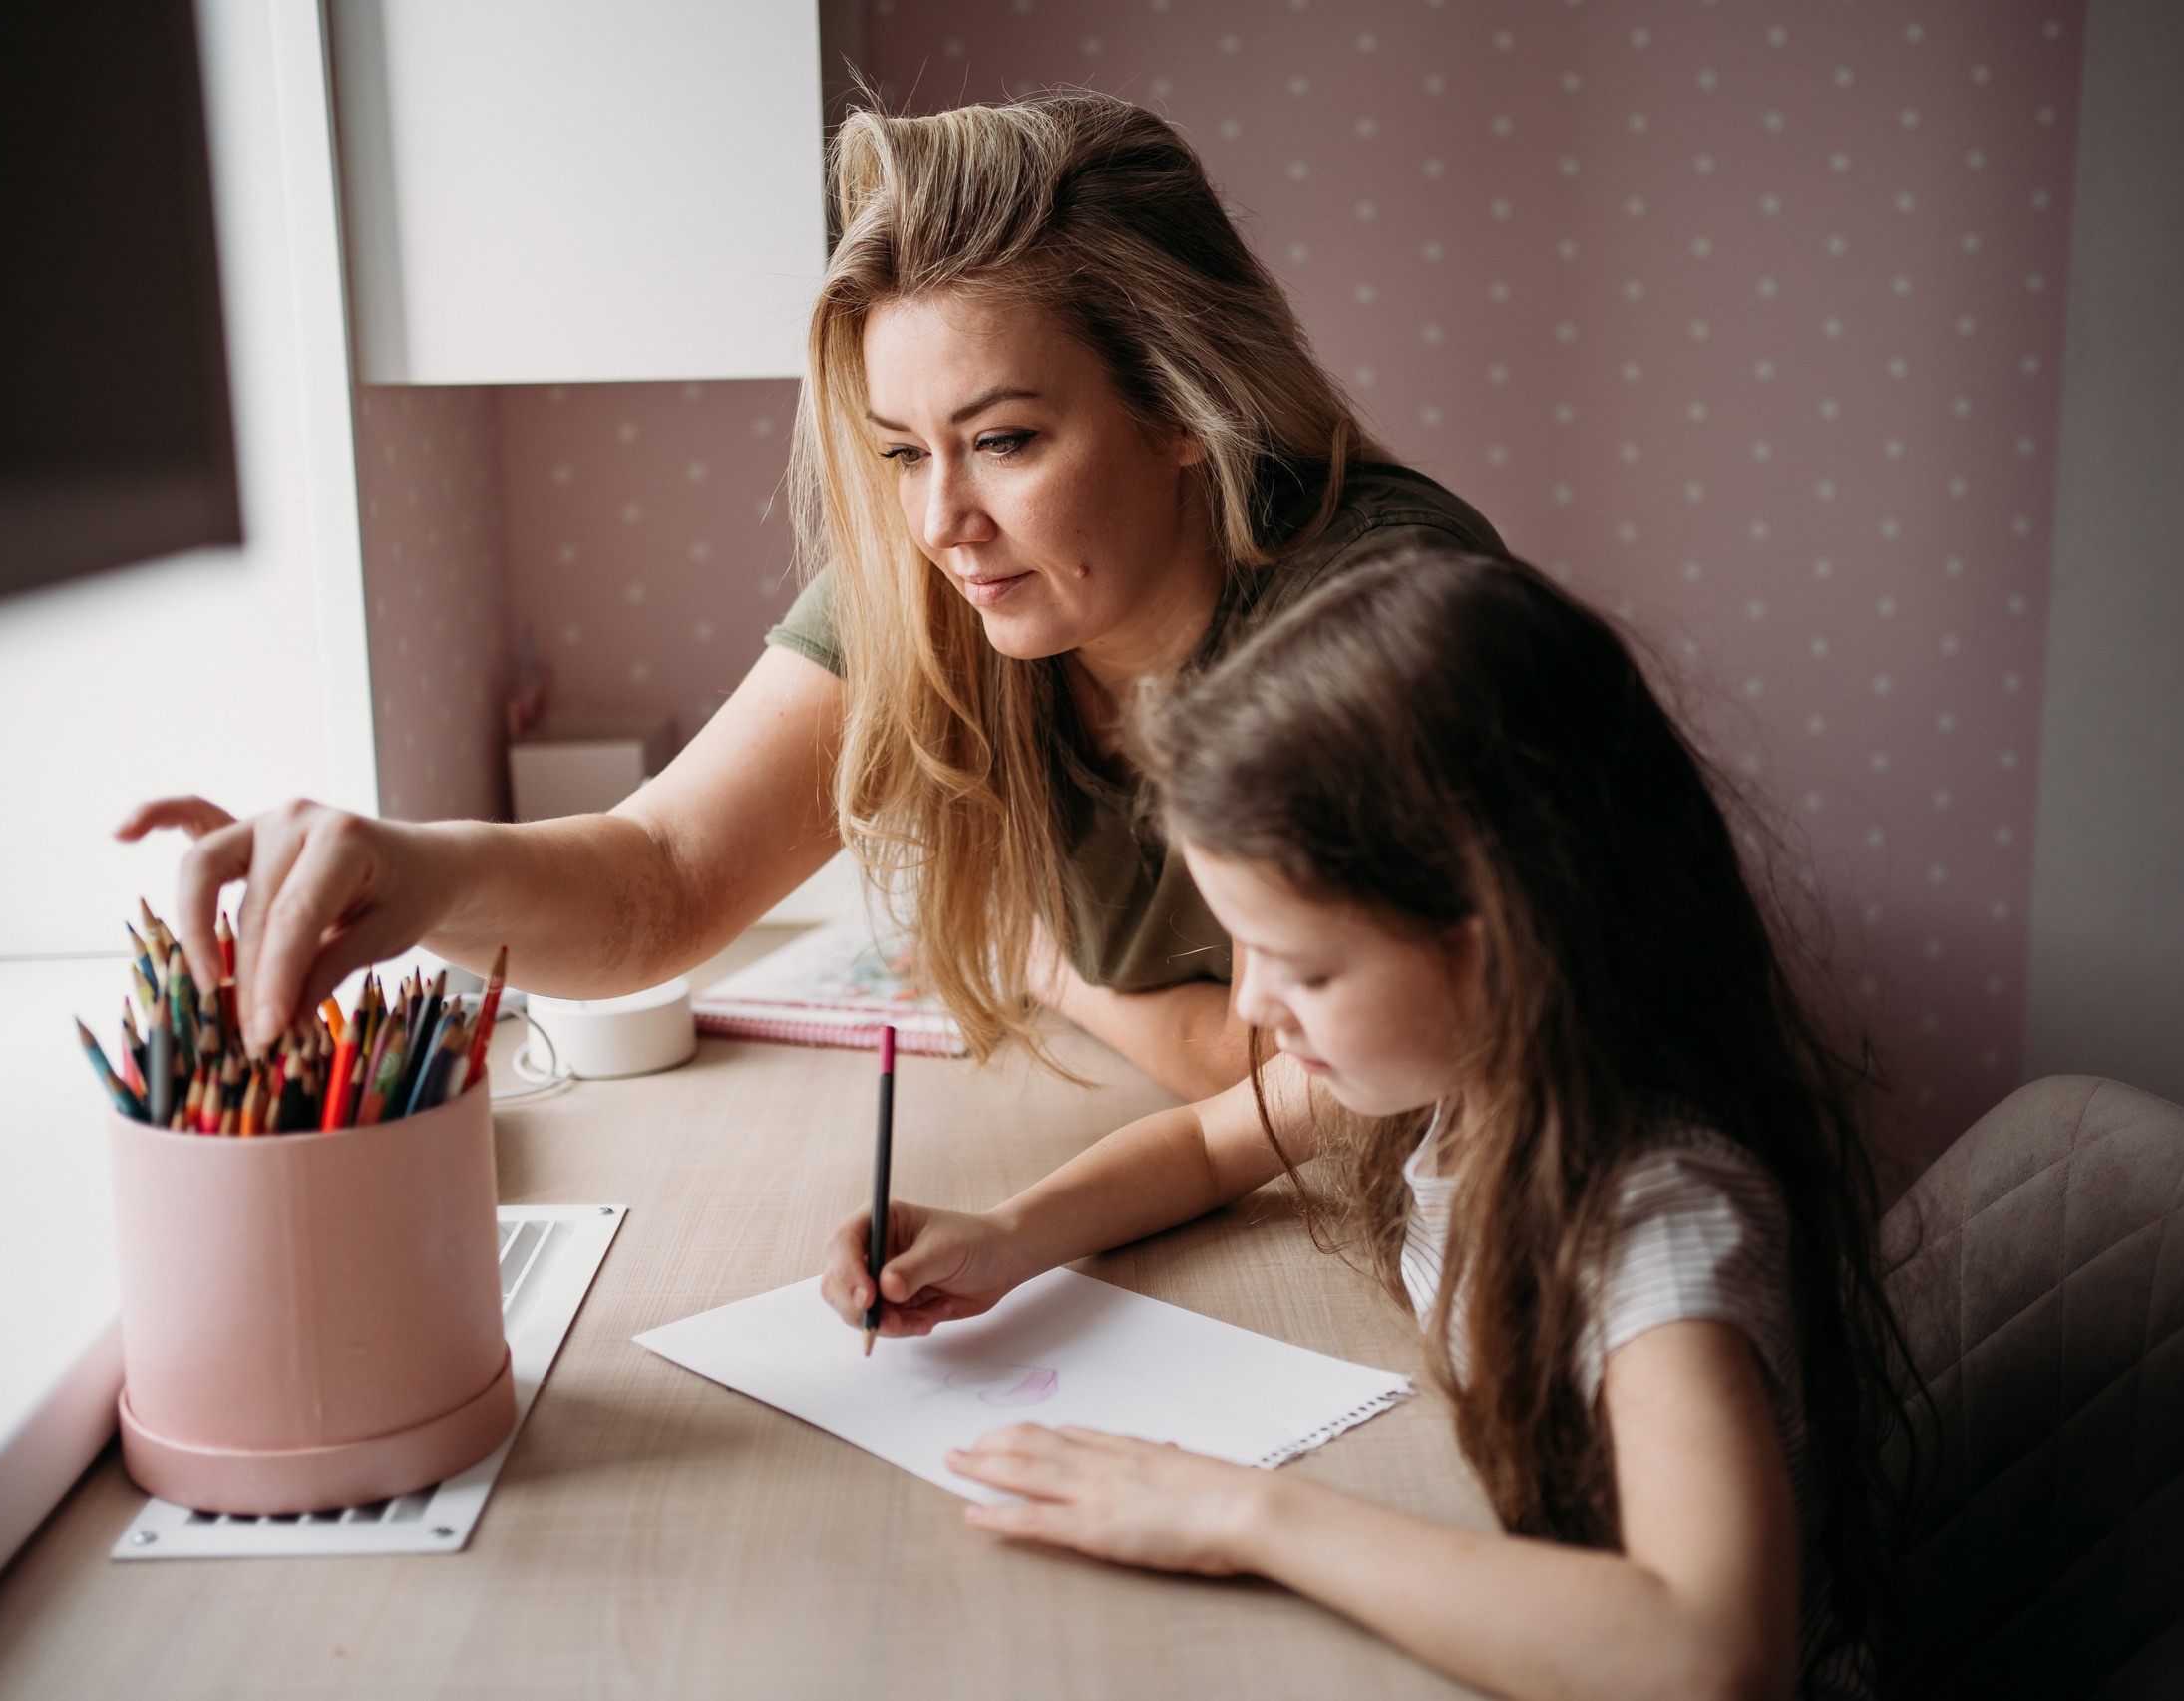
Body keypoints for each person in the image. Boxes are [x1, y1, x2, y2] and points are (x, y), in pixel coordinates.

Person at [120, 92, 1507, 1102]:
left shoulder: (1377, 613)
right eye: (902, 452)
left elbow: (1282, 1070)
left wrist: (1046, 965)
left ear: (1183, 409)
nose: (939, 524)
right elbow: (661, 878)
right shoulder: (944, 579)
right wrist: (409, 873)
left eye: (1007, 439)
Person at [820, 548, 1910, 1700]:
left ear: (1496, 945)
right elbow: (1204, 1144)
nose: (1246, 1007)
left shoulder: (1651, 1215)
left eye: (1304, 968)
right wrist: (1009, 1233)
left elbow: (1706, 1654)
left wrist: (1243, 1509)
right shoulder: (1458, 1061)